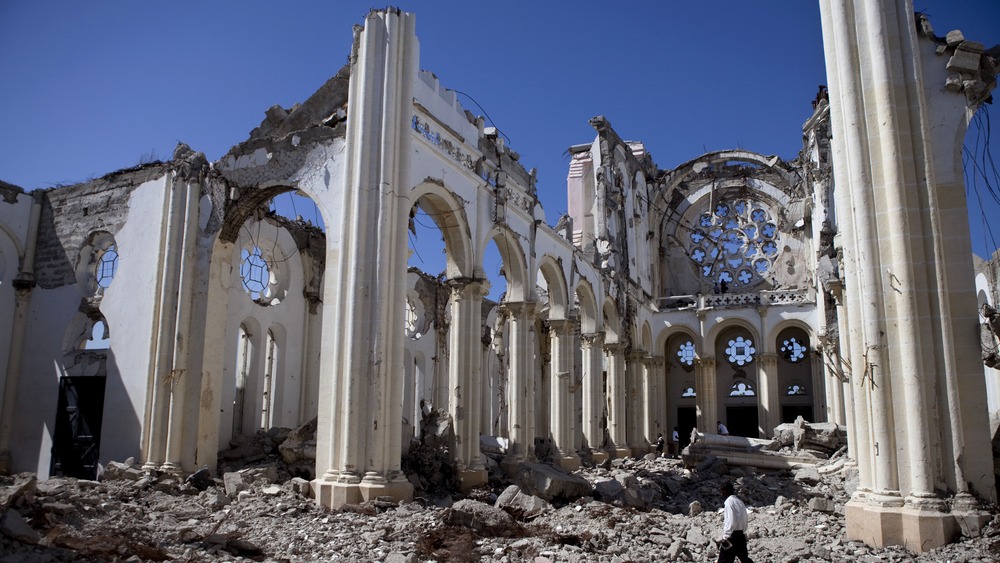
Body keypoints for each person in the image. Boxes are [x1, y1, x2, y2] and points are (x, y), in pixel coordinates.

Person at [718, 481, 755, 563]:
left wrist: (726, 536)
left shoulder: (728, 502)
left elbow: (731, 521)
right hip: (740, 535)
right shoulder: (739, 501)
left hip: (731, 537)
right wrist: (743, 529)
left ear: (726, 491)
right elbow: (744, 517)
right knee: (744, 558)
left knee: (724, 559)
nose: (722, 494)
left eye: (722, 491)